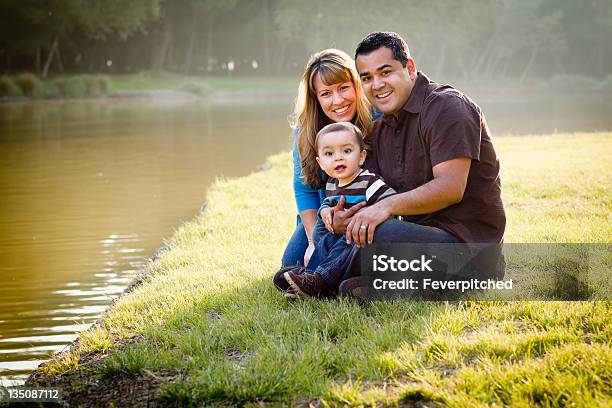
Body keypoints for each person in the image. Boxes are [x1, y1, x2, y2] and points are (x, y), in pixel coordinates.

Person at [333, 32, 506, 297]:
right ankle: (384, 284)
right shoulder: (381, 128)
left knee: (383, 234)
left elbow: (450, 187)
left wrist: (385, 207)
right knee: (360, 231)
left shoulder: (447, 108)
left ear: (409, 68)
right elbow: (369, 190)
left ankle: (335, 281)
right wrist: (345, 217)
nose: (376, 84)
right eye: (366, 78)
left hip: (469, 250)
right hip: (420, 239)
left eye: (385, 72)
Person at [280, 49, 374, 270]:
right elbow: (304, 190)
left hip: (368, 212)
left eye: (343, 88)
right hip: (325, 216)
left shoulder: (375, 121)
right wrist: (314, 242)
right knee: (291, 263)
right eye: (326, 93)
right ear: (316, 98)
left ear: (356, 85)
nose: (337, 100)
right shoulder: (305, 132)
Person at [282, 122, 395, 298]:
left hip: (364, 239)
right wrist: (324, 211)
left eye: (347, 151)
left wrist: (369, 216)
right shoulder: (332, 183)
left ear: (362, 156)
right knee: (326, 240)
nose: (338, 158)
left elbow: (391, 202)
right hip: (339, 234)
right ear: (320, 162)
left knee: (346, 241)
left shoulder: (368, 182)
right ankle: (308, 278)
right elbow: (328, 202)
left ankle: (319, 280)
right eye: (329, 153)